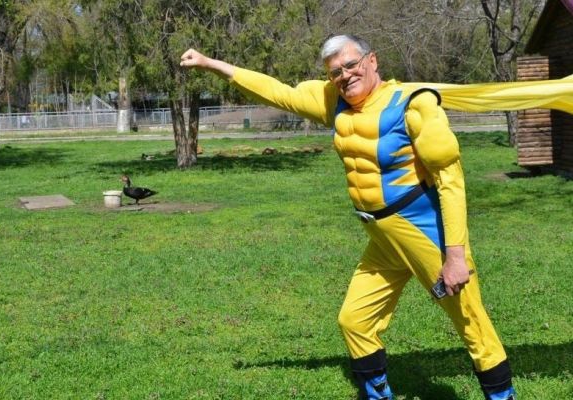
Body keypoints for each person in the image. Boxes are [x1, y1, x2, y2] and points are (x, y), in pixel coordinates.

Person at [179, 35, 527, 400]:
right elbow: (278, 92)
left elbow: (450, 181)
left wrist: (454, 255)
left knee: (471, 323)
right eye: (335, 72)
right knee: (355, 320)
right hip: (382, 237)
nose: (345, 76)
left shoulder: (414, 103)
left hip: (426, 233)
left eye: (351, 65)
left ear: (372, 61)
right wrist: (211, 64)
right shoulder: (334, 101)